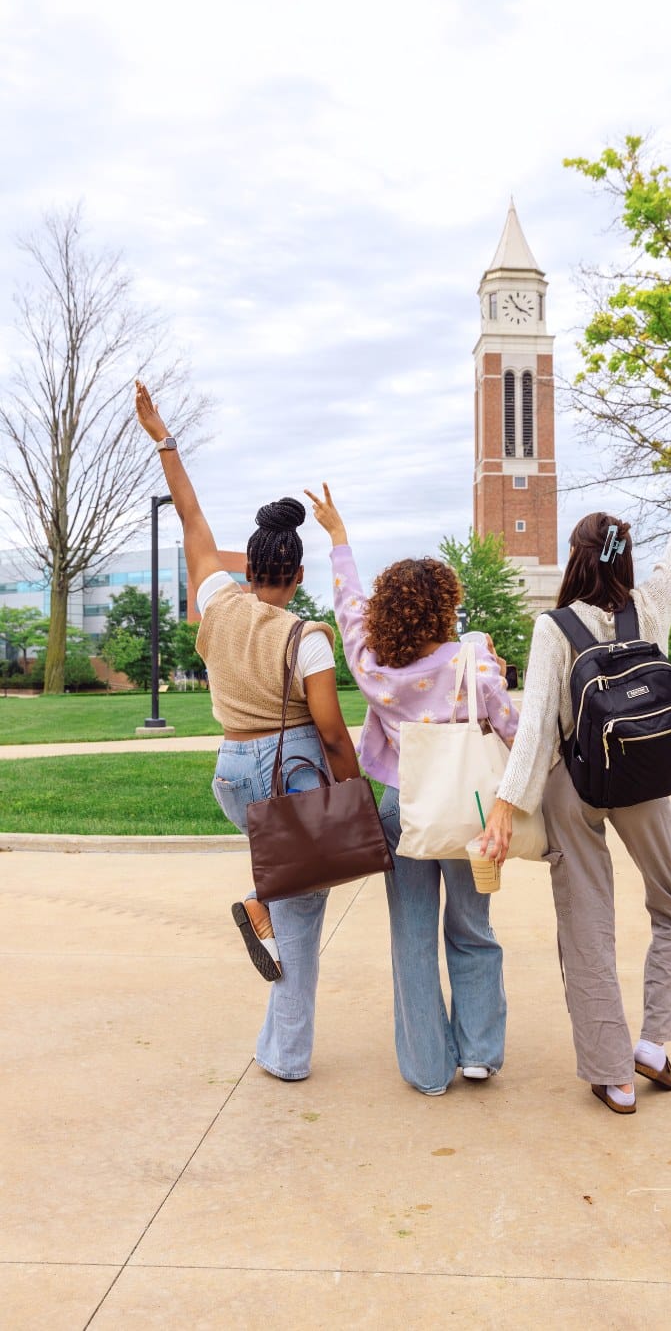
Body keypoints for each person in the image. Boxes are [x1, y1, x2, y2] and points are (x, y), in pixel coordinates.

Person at [481, 389, 671, 1114]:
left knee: (588, 925)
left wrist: (503, 813)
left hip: (574, 785)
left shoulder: (555, 630)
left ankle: (612, 1074)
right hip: (643, 776)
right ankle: (653, 1041)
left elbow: (539, 731)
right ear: (623, 559)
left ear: (574, 560)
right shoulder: (654, 601)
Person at [134, 381, 359, 1082]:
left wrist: (163, 438)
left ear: (250, 566)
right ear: (293, 575)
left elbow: (192, 519)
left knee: (291, 883)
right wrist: (350, 787)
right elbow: (329, 732)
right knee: (305, 909)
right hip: (286, 776)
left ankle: (264, 897)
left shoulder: (215, 603)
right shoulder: (307, 638)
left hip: (232, 773)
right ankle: (286, 1057)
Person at [305, 483, 517, 1096]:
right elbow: (514, 731)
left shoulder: (373, 667)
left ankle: (427, 1068)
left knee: (413, 937)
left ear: (389, 613)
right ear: (446, 607)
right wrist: (495, 670)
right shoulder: (471, 664)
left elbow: (348, 608)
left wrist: (339, 538)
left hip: (404, 811)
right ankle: (478, 1051)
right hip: (471, 814)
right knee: (473, 928)